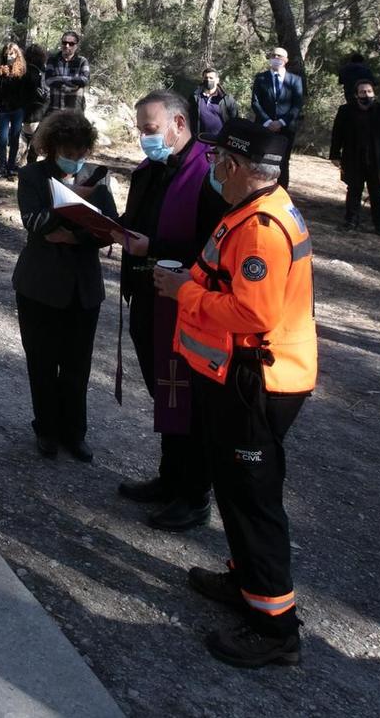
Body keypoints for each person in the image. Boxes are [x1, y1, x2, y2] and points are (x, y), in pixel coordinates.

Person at [153, 118, 316, 669]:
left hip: (259, 379)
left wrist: (185, 293)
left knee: (252, 497)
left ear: (241, 167)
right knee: (235, 485)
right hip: (239, 374)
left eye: (222, 160)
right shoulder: (248, 211)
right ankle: (247, 583)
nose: (214, 168)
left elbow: (255, 312)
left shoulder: (262, 228)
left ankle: (275, 629)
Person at [116, 90, 226, 532]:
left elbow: (215, 244)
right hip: (148, 297)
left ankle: (194, 495)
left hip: (189, 305)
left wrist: (154, 247)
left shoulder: (210, 174)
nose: (143, 138)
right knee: (166, 392)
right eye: (140, 129)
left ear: (179, 125)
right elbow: (137, 218)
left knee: (189, 401)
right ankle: (169, 477)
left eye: (150, 129)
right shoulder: (150, 169)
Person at [13, 110, 118, 463]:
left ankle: (75, 433)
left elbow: (109, 229)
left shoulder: (98, 177)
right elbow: (35, 222)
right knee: (41, 362)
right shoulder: (31, 175)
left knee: (77, 366)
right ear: (51, 146)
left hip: (83, 289)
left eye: (79, 152)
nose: (74, 159)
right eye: (67, 151)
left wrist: (73, 236)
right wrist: (68, 202)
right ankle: (45, 429)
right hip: (39, 286)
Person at [328, 78, 380, 235]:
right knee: (354, 191)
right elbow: (337, 134)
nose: (366, 94)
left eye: (369, 91)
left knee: (377, 193)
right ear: (356, 94)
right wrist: (335, 155)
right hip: (353, 158)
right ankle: (350, 222)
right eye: (362, 92)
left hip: (377, 160)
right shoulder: (345, 110)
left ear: (374, 93)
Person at [249, 48, 304, 188]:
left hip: (286, 128)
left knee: (283, 162)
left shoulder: (295, 80)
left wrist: (281, 122)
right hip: (264, 126)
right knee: (260, 159)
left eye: (279, 56)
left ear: (286, 60)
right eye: (273, 55)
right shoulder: (261, 78)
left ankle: (281, 192)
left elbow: (297, 105)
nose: (275, 57)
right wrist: (267, 121)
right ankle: (258, 190)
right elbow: (255, 102)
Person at [0, 43, 30, 178]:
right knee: (2, 139)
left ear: (17, 54)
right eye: (7, 54)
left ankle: (11, 165)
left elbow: (27, 92)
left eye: (12, 54)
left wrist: (23, 107)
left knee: (15, 138)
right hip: (2, 110)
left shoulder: (23, 72)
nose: (9, 56)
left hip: (17, 110)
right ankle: (1, 165)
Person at [43, 31, 92, 117]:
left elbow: (84, 80)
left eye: (71, 44)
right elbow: (48, 80)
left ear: (76, 46)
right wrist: (73, 84)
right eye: (64, 43)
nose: (67, 46)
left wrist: (60, 79)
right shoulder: (52, 60)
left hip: (74, 110)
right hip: (55, 109)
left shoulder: (82, 61)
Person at [193, 68, 237, 140]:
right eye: (206, 78)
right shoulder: (195, 97)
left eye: (211, 78)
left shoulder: (226, 99)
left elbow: (234, 121)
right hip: (199, 139)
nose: (208, 80)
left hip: (220, 141)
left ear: (217, 80)